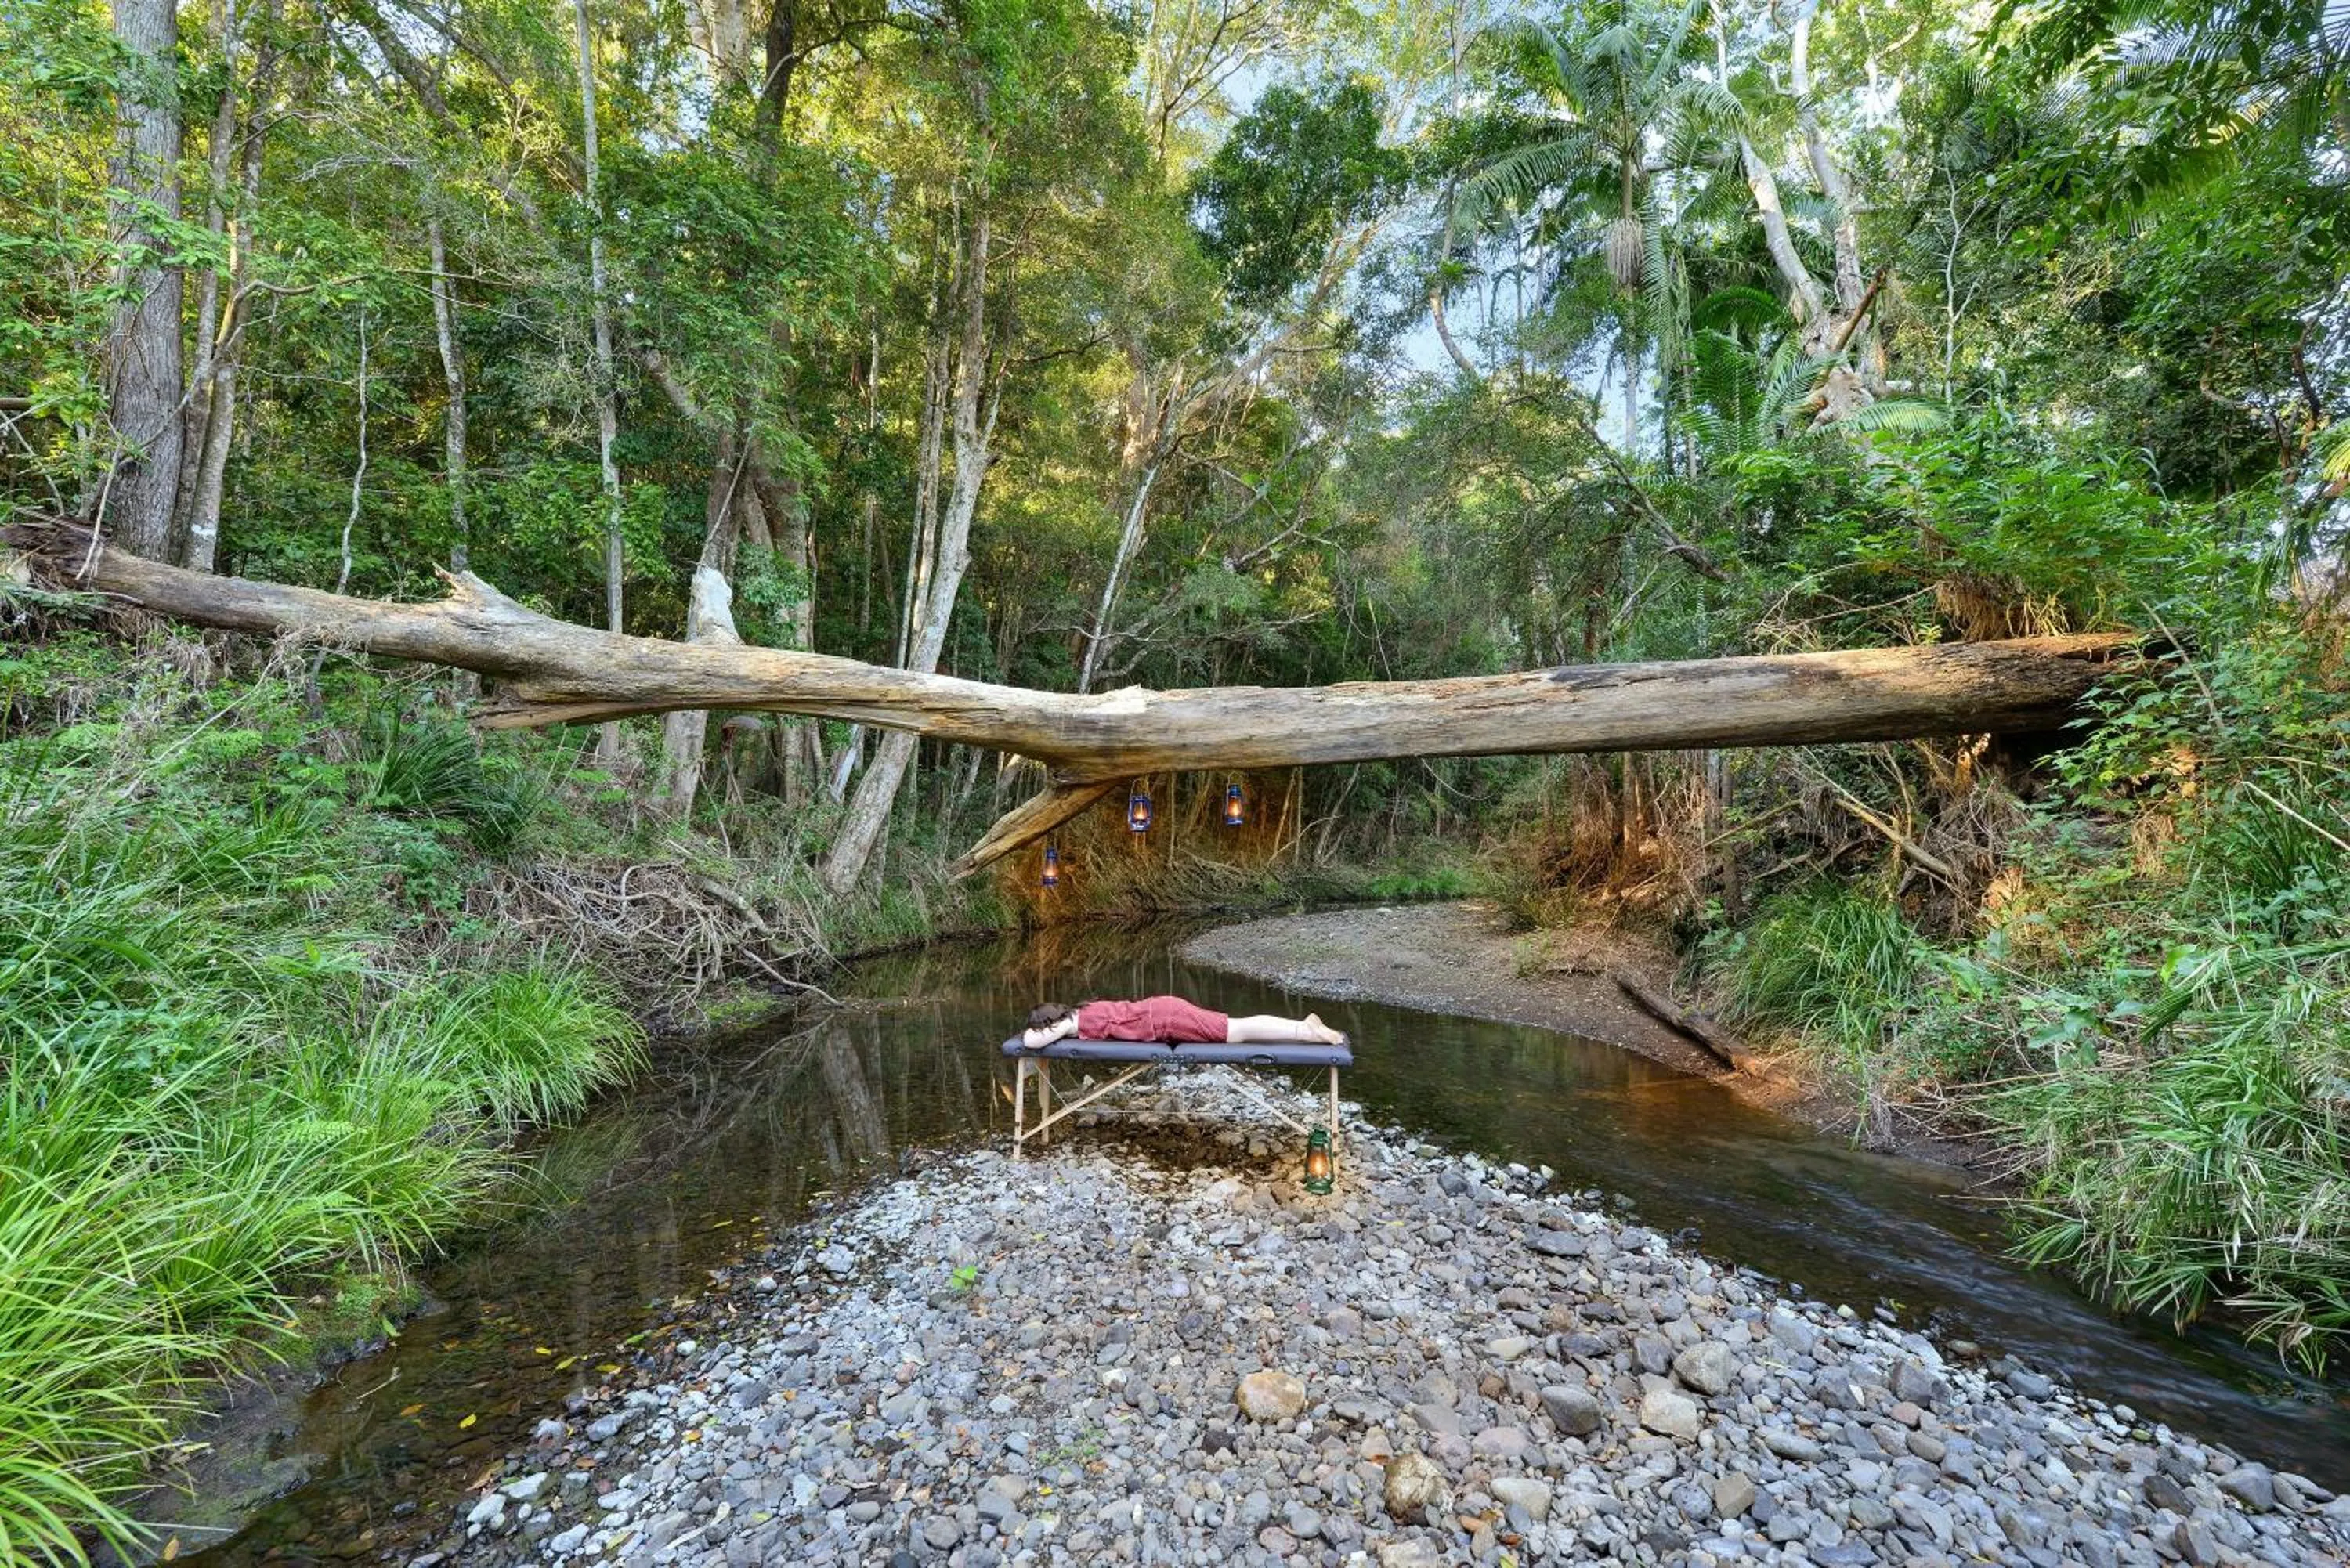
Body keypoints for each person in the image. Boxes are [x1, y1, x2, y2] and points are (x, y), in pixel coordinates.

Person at [1019, 996, 1347, 1050]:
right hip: (1163, 1008)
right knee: (1237, 1027)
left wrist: (1034, 1030)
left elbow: (1031, 1043)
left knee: (1237, 1031)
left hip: (1165, 1019)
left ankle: (1304, 1030)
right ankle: (1303, 1028)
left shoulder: (1069, 1023)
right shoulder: (1085, 1009)